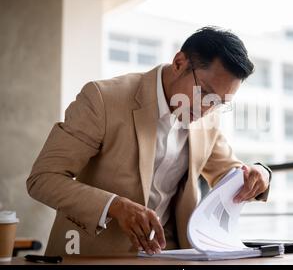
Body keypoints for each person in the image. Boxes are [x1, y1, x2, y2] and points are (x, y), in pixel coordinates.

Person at [27, 27, 272, 256]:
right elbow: (43, 179)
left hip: (171, 257)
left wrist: (260, 174)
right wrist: (116, 206)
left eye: (220, 102)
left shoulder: (207, 118)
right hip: (93, 255)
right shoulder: (102, 99)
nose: (208, 108)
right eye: (205, 93)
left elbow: (230, 174)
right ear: (179, 63)